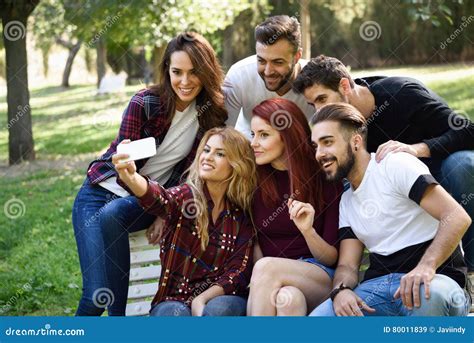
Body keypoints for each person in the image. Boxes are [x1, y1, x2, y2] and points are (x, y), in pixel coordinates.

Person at [72, 32, 227, 316]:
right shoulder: (145, 103)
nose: (185, 81)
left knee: (115, 214)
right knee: (95, 297)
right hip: (98, 195)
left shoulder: (210, 115)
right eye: (177, 72)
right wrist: (125, 161)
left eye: (194, 73)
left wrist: (163, 212)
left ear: (206, 71)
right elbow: (122, 173)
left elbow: (190, 175)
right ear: (167, 71)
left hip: (145, 199)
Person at [293, 55, 474, 294]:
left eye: (322, 99)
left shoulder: (402, 93)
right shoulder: (340, 125)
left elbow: (468, 131)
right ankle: (374, 267)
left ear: (345, 86)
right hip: (392, 184)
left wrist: (418, 149)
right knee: (348, 188)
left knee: (462, 165)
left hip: (437, 167)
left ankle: (469, 269)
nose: (320, 110)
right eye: (313, 104)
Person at [309, 103, 471, 316]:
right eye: (315, 146)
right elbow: (348, 265)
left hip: (436, 279)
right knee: (319, 321)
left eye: (327, 142)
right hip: (378, 290)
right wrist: (341, 290)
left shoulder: (393, 164)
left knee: (428, 297)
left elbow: (457, 216)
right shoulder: (346, 201)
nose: (320, 154)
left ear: (355, 141)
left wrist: (426, 267)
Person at [112, 127, 256, 316]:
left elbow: (238, 271)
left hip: (221, 298)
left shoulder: (240, 215)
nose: (208, 157)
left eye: (220, 154)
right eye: (206, 150)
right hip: (173, 301)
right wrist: (130, 177)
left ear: (236, 165)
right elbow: (159, 199)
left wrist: (201, 299)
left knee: (219, 309)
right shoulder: (186, 197)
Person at [246, 98, 342, 316]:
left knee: (267, 268)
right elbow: (255, 244)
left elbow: (331, 257)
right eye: (253, 134)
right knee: (289, 300)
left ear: (287, 136)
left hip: (318, 276)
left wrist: (308, 231)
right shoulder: (253, 180)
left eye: (263, 135)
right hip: (269, 279)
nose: (254, 143)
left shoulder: (323, 178)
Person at [223, 15, 315, 139]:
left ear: (297, 56)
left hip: (297, 151)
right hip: (249, 149)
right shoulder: (239, 74)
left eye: (278, 62)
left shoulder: (315, 80)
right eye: (261, 61)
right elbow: (223, 134)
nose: (268, 71)